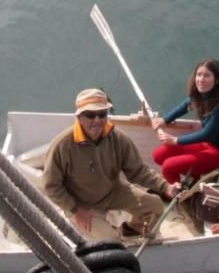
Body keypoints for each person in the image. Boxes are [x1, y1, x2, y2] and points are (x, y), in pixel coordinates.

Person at [42, 88, 178, 238]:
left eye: (102, 114)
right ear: (79, 117)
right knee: (111, 240)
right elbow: (51, 186)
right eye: (90, 115)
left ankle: (132, 229)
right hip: (81, 203)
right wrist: (75, 209)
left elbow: (138, 171)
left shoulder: (118, 138)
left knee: (156, 206)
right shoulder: (62, 145)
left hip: (112, 192)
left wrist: (166, 187)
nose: (97, 120)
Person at [151, 58, 219, 185]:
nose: (200, 79)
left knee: (168, 167)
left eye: (207, 75)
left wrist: (176, 140)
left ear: (217, 80)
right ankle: (194, 178)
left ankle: (177, 195)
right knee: (158, 155)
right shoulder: (201, 94)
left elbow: (207, 134)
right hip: (208, 144)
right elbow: (185, 106)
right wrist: (165, 120)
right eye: (199, 75)